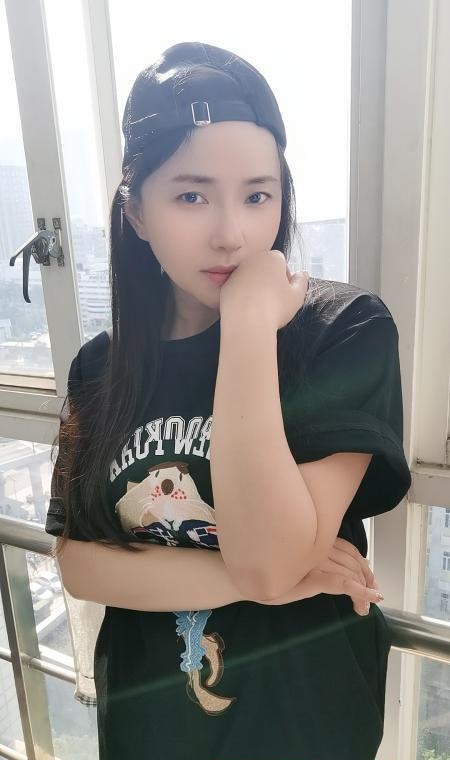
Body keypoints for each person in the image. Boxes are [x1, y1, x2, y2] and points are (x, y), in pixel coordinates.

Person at [45, 41, 412, 760]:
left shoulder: (343, 332)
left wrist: (246, 326)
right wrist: (263, 583)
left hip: (303, 726)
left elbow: (268, 560)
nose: (231, 234)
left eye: (257, 195)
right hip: (151, 728)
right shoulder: (101, 368)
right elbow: (81, 566)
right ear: (137, 212)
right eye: (191, 195)